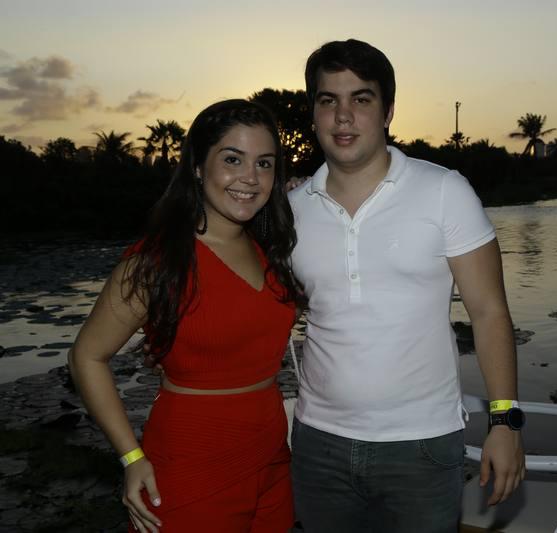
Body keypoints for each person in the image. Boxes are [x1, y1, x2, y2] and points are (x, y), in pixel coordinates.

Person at [288, 39, 525, 532]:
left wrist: (504, 421)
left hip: (421, 447)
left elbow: (489, 312)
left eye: (362, 98)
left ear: (388, 111)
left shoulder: (444, 191)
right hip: (319, 444)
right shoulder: (292, 210)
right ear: (313, 114)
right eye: (328, 100)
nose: (343, 116)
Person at [69, 99, 300, 533]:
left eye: (264, 163)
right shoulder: (158, 263)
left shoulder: (272, 249)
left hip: (272, 459)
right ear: (197, 166)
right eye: (232, 159)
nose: (251, 177)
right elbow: (86, 356)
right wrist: (131, 457)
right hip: (192, 461)